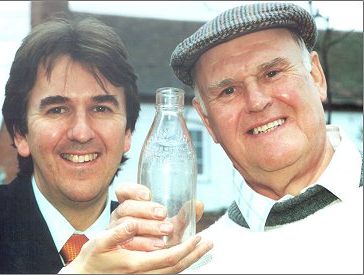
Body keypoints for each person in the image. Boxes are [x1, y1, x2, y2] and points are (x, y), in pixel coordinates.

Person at [114, 2, 363, 273]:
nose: (257, 102)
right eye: (229, 91)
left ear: (316, 77)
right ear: (207, 122)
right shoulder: (189, 264)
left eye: (272, 73)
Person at [0, 14, 212, 274]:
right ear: (20, 134)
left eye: (101, 108)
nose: (81, 133)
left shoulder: (163, 246)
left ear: (128, 132)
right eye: (58, 110)